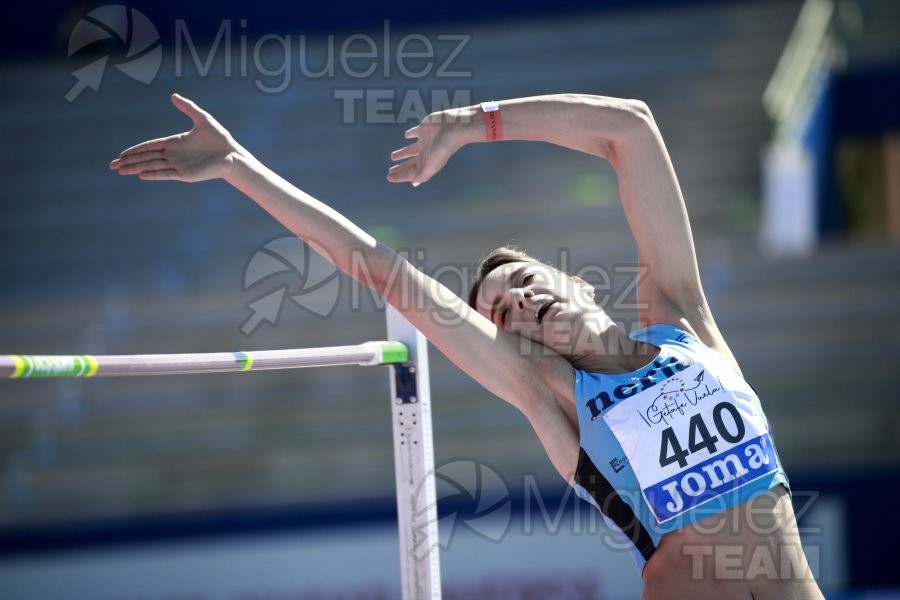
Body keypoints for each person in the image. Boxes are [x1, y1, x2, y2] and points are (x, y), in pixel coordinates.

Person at [111, 93, 824, 599]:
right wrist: (238, 164)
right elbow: (381, 270)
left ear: (575, 280)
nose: (521, 304)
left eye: (524, 282)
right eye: (505, 315)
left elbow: (632, 128)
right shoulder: (555, 396)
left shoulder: (686, 324)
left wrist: (472, 123)